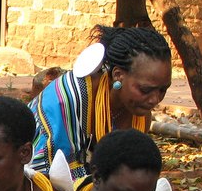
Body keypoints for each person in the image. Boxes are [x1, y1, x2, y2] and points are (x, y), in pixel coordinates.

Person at [30, 25, 172, 179]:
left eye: (162, 90)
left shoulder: (139, 113)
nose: (155, 100)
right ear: (118, 75)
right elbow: (52, 175)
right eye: (145, 90)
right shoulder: (67, 98)